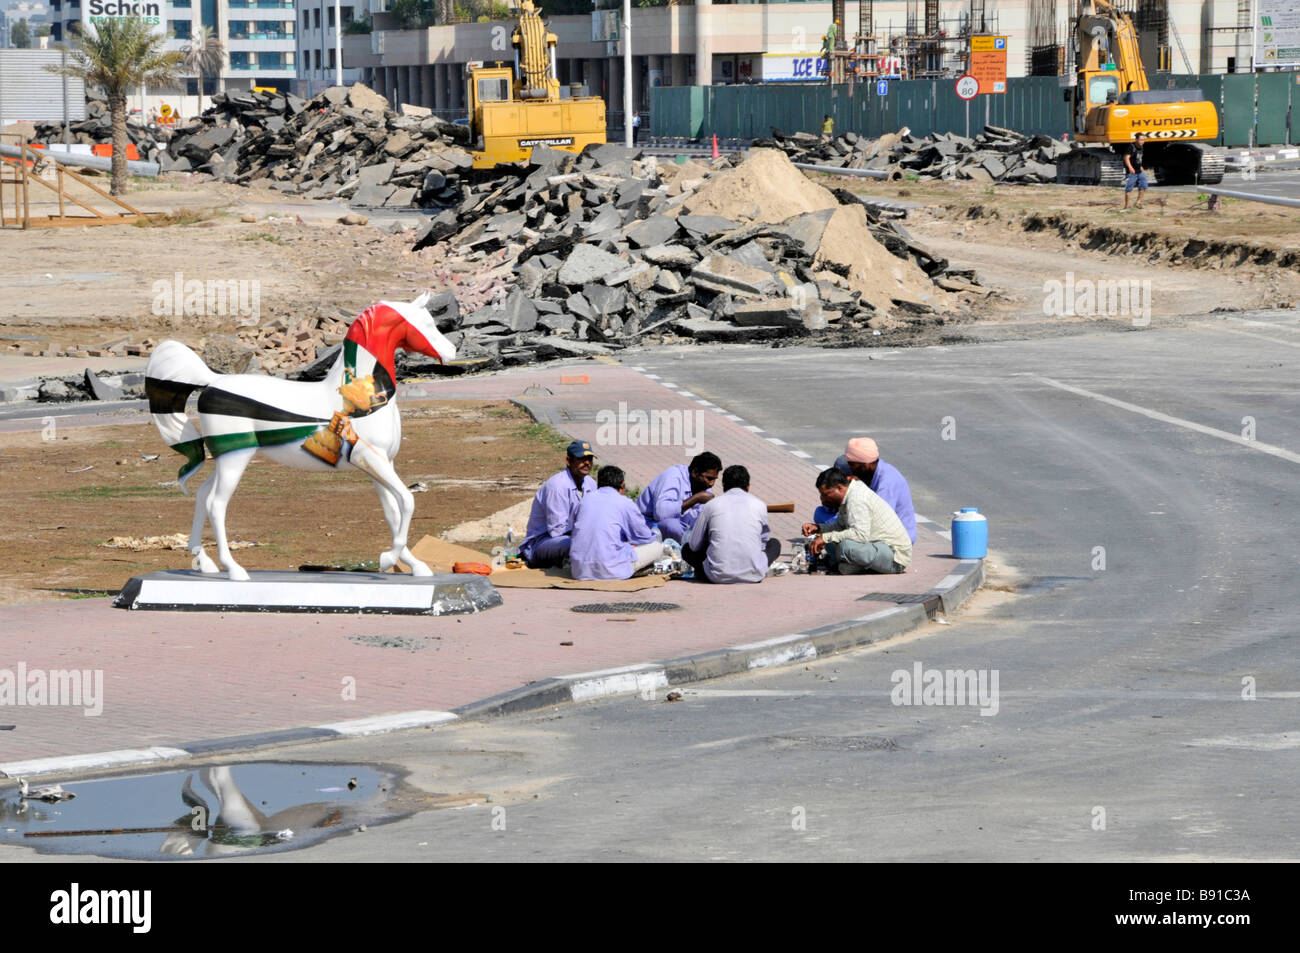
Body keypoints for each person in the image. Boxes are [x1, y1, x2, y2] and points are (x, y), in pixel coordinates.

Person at [683, 464, 781, 584]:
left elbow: (694, 545)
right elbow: (763, 542)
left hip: (717, 575)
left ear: (724, 486)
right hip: (755, 574)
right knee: (775, 544)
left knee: (686, 550)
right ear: (748, 487)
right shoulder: (759, 505)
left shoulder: (711, 505)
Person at [802, 468, 911, 575]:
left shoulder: (856, 498)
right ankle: (848, 564)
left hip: (894, 558)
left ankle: (849, 565)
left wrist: (825, 538)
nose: (822, 499)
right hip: (874, 547)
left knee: (845, 547)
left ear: (839, 488)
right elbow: (841, 527)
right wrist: (819, 528)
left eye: (826, 494)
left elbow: (860, 535)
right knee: (829, 543)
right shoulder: (848, 494)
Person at [569, 465, 664, 580]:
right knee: (657, 547)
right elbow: (644, 538)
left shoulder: (585, 500)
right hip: (610, 570)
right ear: (622, 486)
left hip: (579, 570)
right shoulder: (625, 502)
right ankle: (632, 569)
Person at [519, 440, 596, 568]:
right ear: (568, 461)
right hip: (543, 542)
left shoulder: (591, 483)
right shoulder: (557, 487)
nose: (587, 462)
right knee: (575, 544)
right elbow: (557, 531)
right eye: (581, 458)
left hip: (575, 537)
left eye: (589, 459)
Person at [841, 437, 917, 544]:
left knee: (847, 545)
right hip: (882, 532)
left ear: (866, 464)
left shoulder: (887, 483)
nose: (850, 469)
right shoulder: (872, 473)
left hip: (896, 541)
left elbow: (878, 520)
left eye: (852, 465)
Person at [637, 451, 721, 543]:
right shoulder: (673, 476)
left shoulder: (704, 486)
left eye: (714, 479)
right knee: (673, 526)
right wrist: (695, 499)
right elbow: (660, 514)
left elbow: (696, 518)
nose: (712, 484)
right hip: (646, 524)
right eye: (709, 478)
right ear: (695, 472)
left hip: (678, 524)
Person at [1117, 132, 1148, 210]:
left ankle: (1138, 202)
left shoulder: (1141, 148)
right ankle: (1126, 206)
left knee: (1143, 186)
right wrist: (1130, 168)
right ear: (1136, 139)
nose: (1142, 141)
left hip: (1139, 170)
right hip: (1132, 172)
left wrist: (1141, 167)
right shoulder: (1131, 147)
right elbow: (1126, 158)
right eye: (1140, 140)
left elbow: (1138, 159)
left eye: (1143, 140)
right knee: (1129, 188)